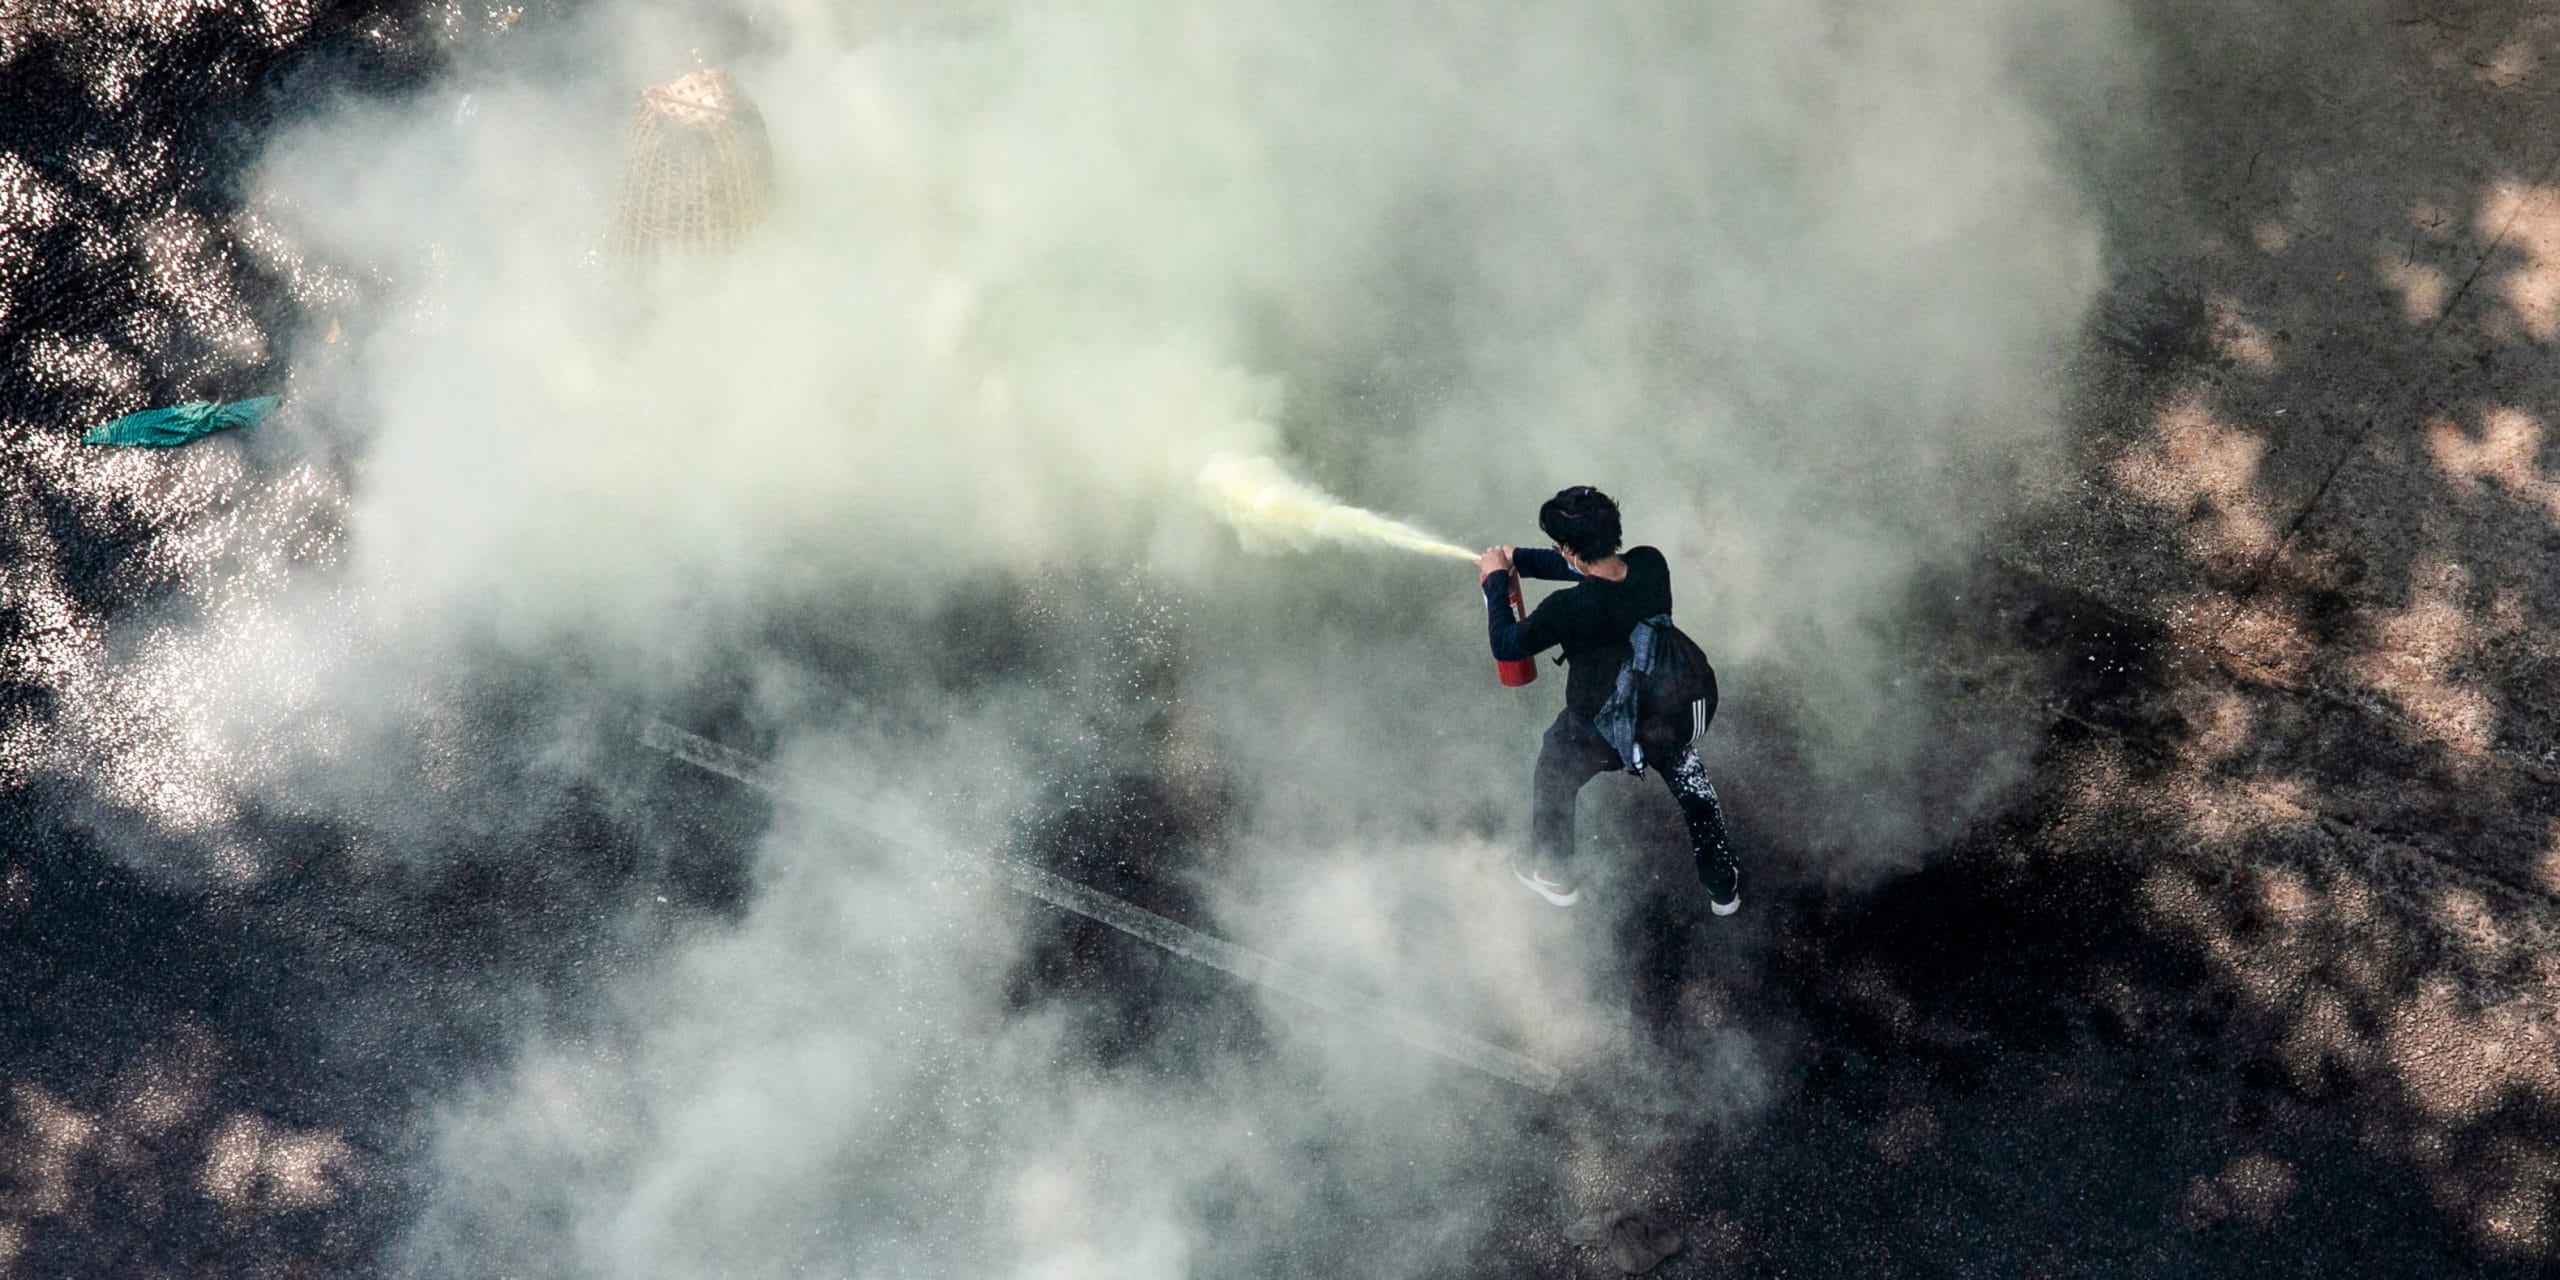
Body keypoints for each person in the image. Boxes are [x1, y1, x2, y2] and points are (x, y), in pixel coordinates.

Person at [1477, 486, 1742, 914]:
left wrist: (1494, 581)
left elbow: (1507, 645)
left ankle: (1555, 875)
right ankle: (1724, 887)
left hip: (1598, 729)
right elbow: (1591, 572)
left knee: (1554, 769)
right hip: (1664, 713)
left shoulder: (1568, 608)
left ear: (1567, 547)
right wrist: (1519, 560)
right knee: (1694, 790)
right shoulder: (1651, 564)